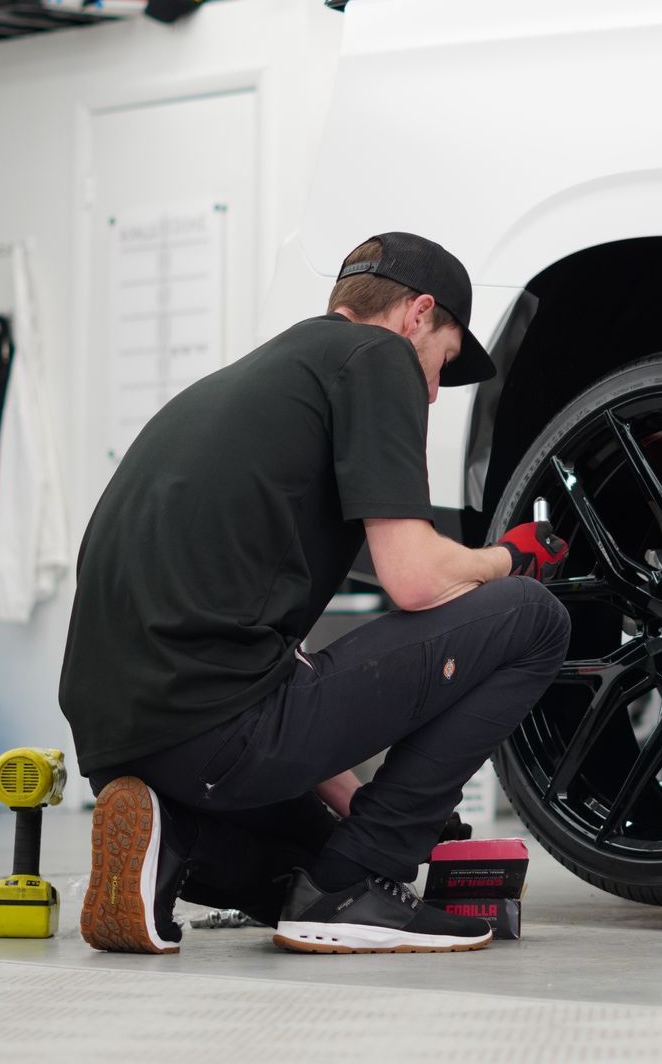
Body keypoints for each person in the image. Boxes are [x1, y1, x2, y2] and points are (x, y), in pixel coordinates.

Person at [58, 232, 571, 955]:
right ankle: (356, 889)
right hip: (217, 733)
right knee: (532, 618)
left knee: (308, 867)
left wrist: (365, 804)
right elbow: (416, 579)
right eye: (443, 364)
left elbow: (268, 657)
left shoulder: (246, 386)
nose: (430, 390)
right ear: (416, 315)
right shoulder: (378, 358)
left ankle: (170, 843)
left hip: (129, 749)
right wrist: (508, 559)